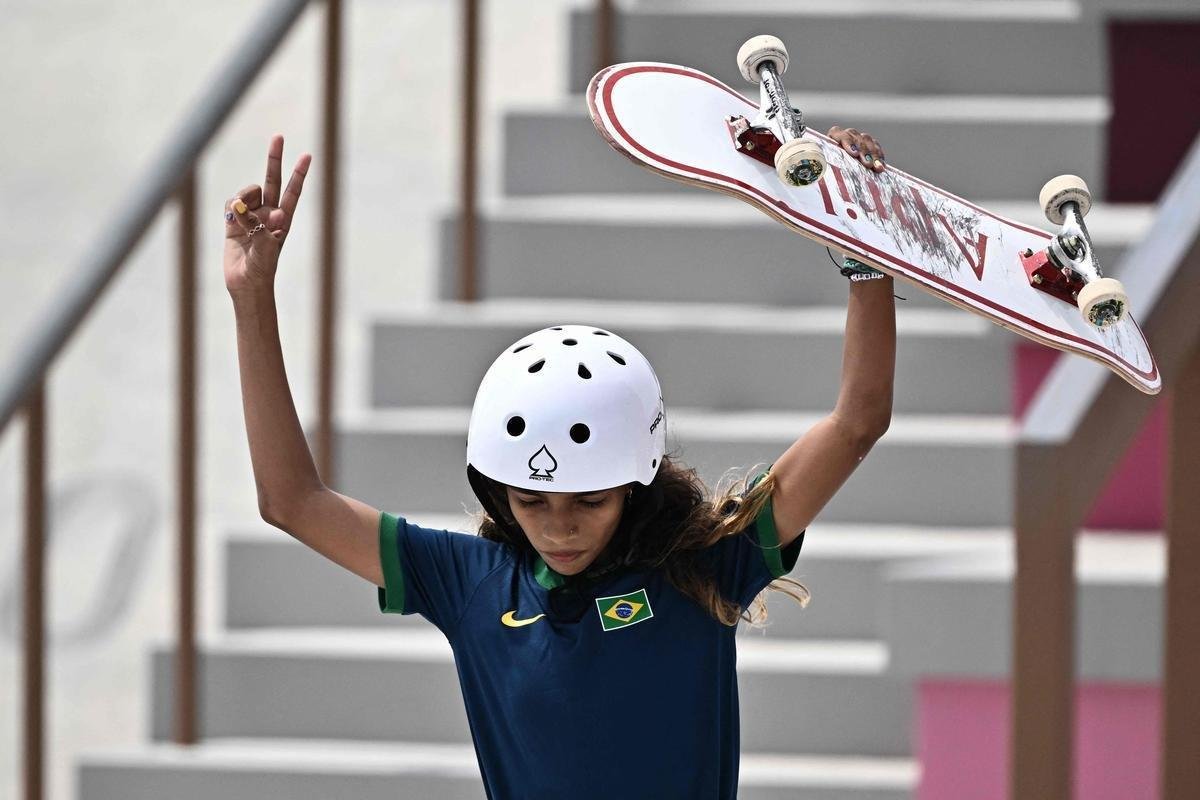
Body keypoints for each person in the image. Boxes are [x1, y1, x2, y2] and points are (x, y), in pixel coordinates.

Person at [224, 127, 894, 799]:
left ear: (636, 485)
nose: (559, 527)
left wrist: (865, 260)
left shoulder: (709, 563)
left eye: (589, 501)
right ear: (496, 496)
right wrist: (252, 298)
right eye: (532, 502)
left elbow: (857, 424)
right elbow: (291, 501)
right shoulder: (473, 583)